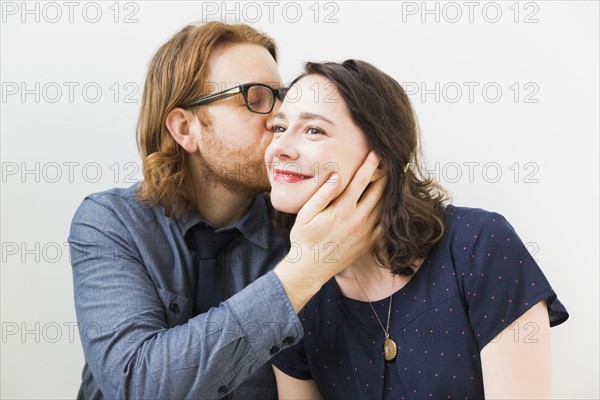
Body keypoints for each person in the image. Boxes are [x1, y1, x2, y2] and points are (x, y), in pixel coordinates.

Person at [68, 23, 385, 399]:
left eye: (280, 96)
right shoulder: (110, 222)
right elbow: (137, 383)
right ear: (185, 128)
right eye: (255, 97)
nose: (280, 118)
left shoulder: (306, 225)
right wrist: (303, 269)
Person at [268, 60, 569, 399]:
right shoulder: (292, 289)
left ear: (379, 158)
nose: (279, 148)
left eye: (314, 130)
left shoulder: (480, 244)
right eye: (278, 128)